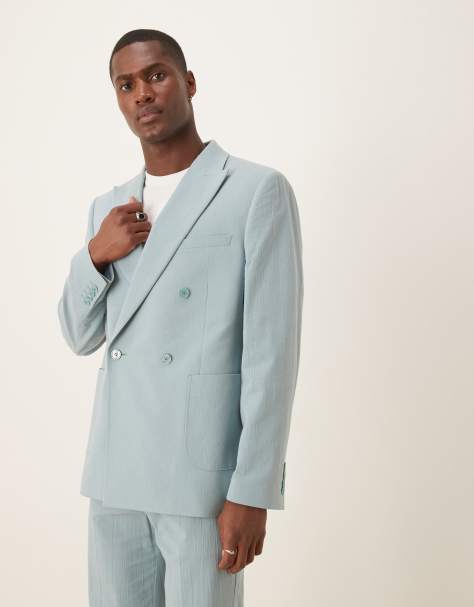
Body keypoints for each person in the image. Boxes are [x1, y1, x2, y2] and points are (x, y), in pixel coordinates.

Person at [57, 28, 304, 607]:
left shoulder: (255, 190)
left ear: (189, 83)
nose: (142, 93)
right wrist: (95, 254)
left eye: (156, 75)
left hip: (202, 481)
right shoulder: (109, 208)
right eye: (126, 85)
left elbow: (271, 355)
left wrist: (253, 490)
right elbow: (78, 335)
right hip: (115, 474)